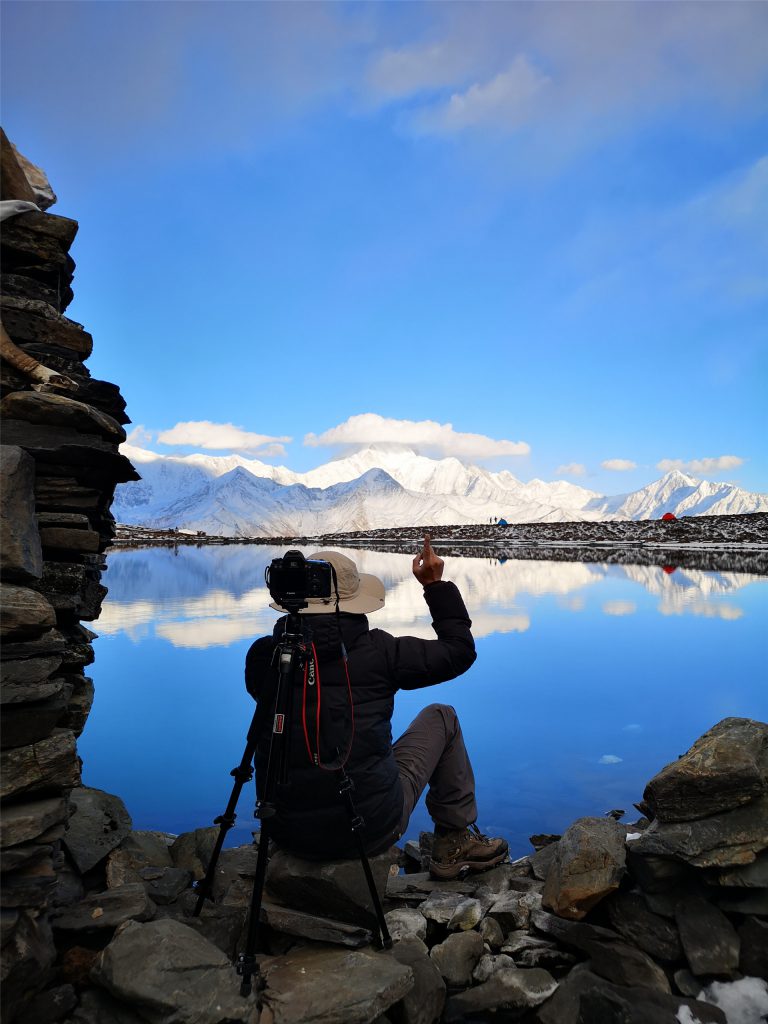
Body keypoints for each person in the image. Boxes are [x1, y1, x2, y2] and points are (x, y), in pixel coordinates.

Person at [245, 535, 508, 880]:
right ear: (353, 599)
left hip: (284, 829)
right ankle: (453, 843)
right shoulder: (380, 653)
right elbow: (459, 651)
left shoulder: (265, 656)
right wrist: (435, 585)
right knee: (442, 717)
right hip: (369, 827)